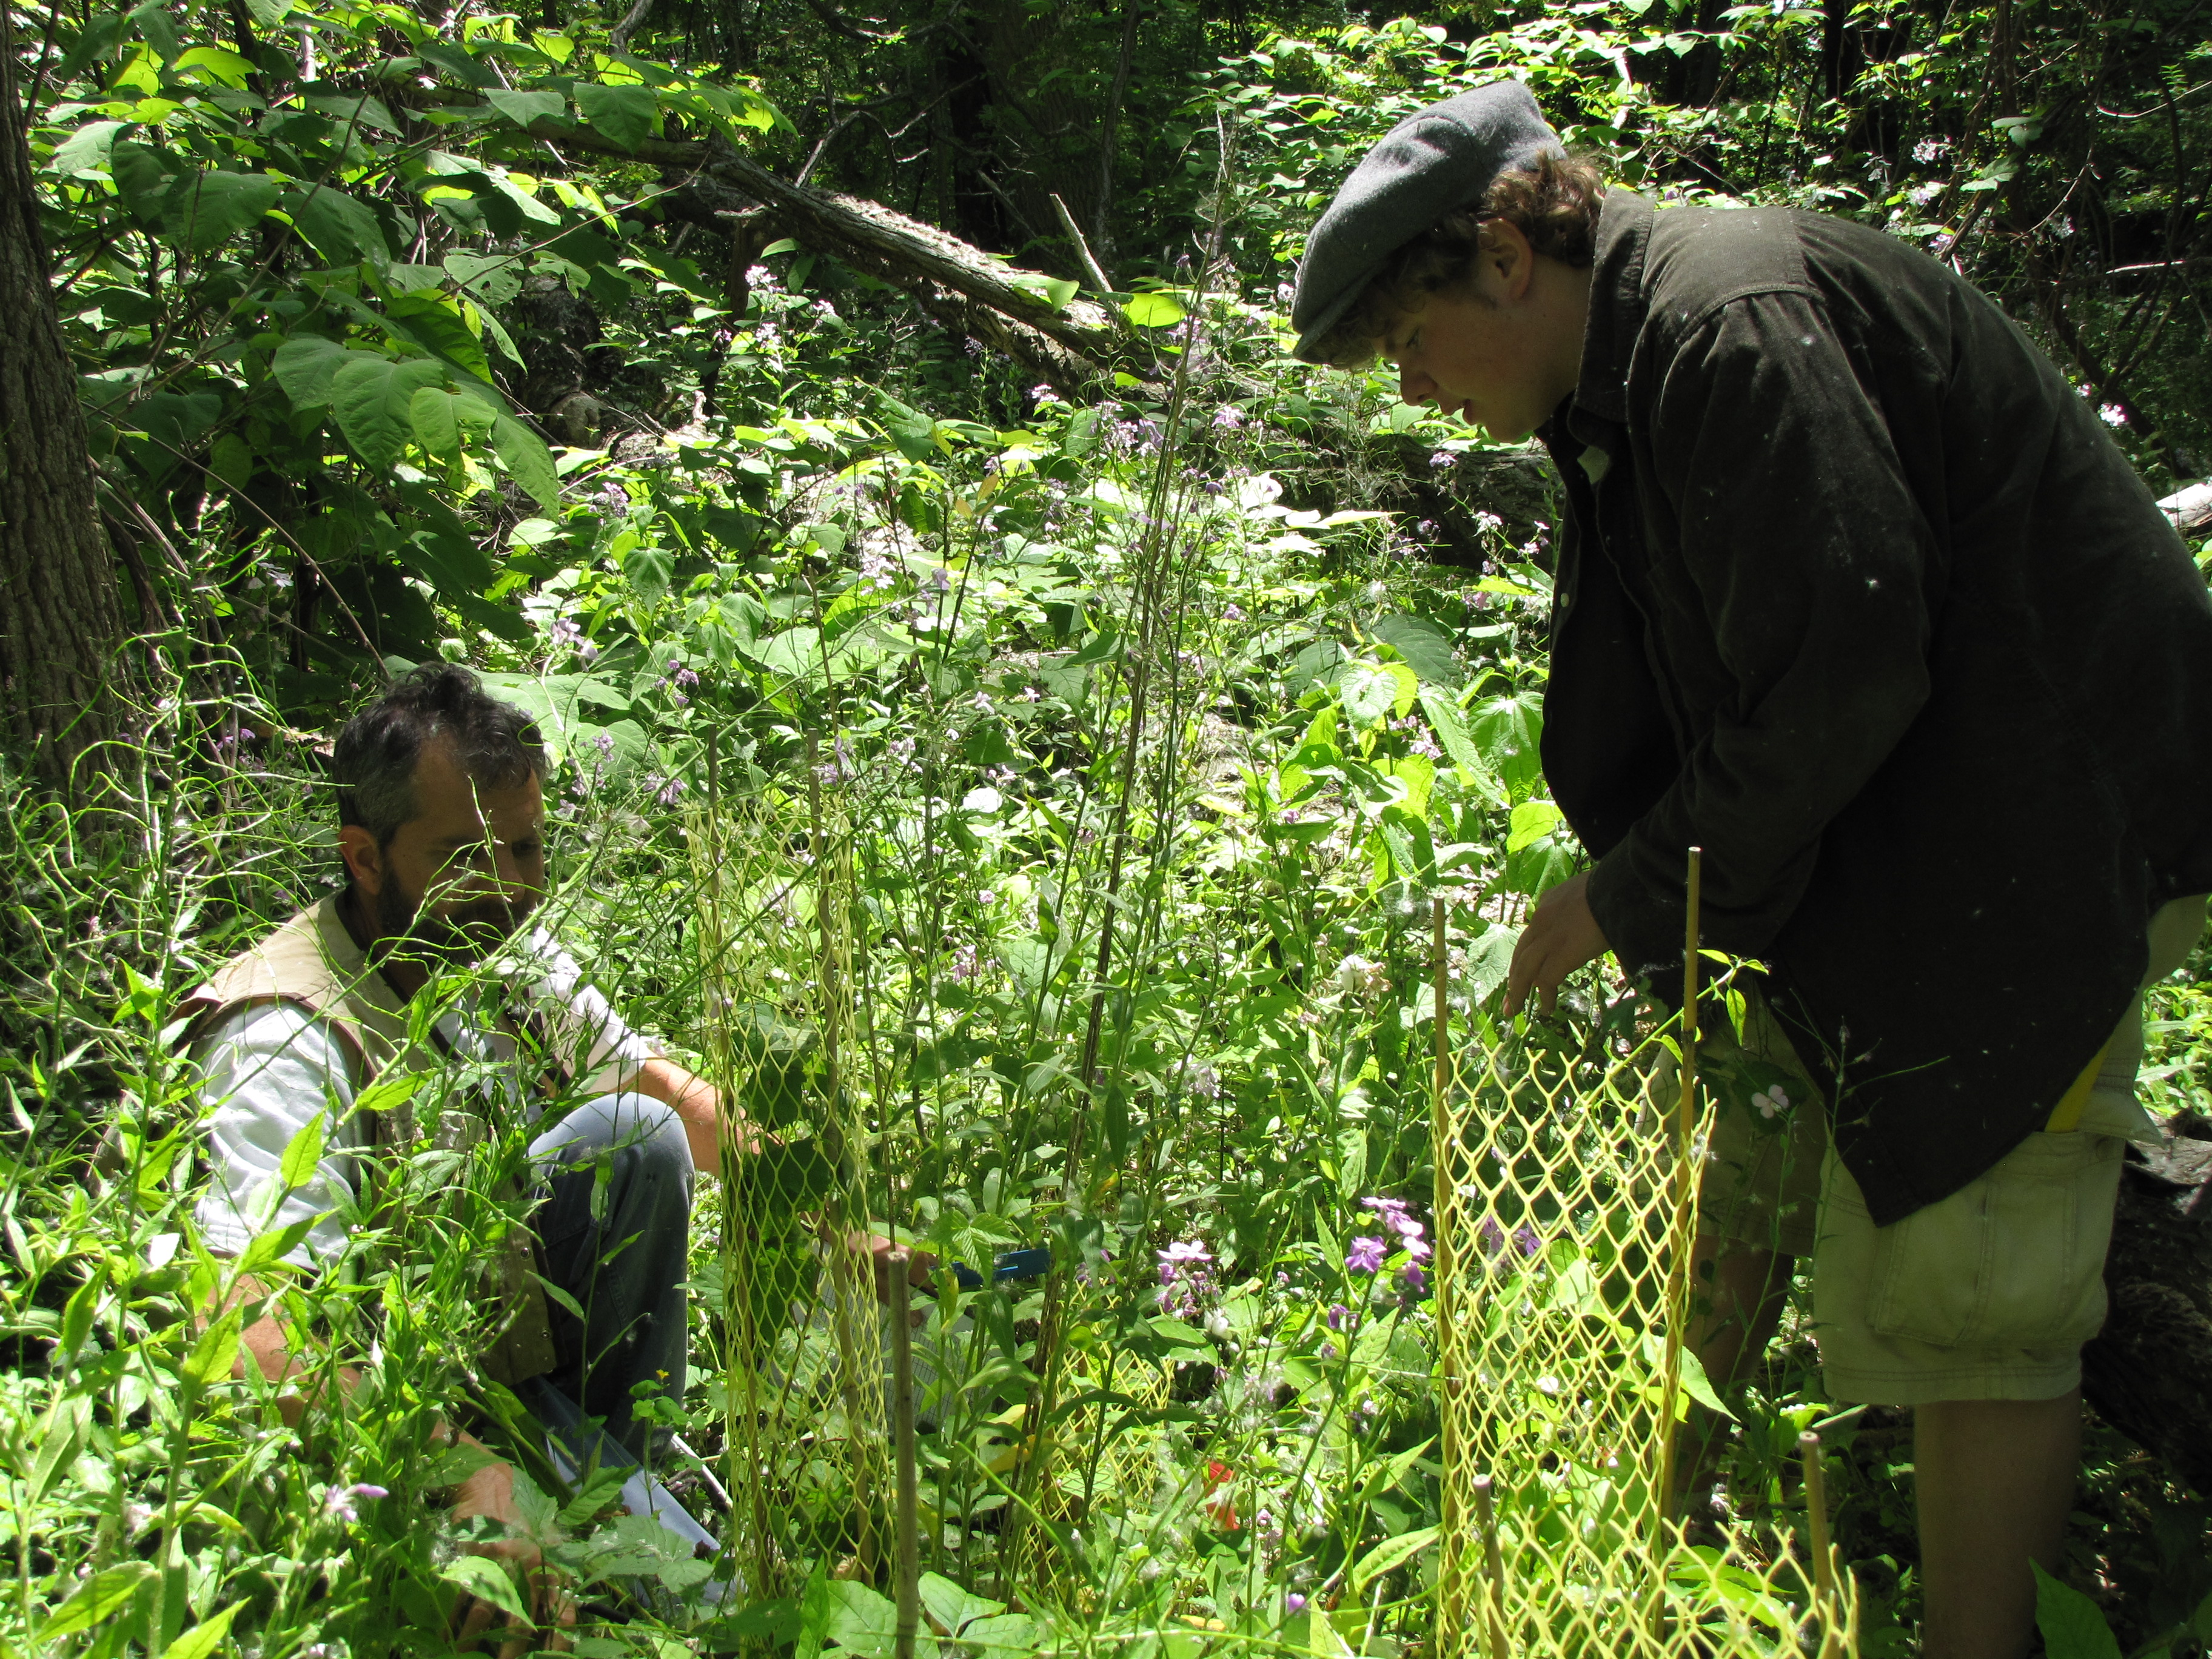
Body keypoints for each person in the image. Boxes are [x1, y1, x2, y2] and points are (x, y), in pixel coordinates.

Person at [1290, 82, 2212, 1658]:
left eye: (1414, 339)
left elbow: (1844, 672)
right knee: (1851, 1166)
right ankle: (1685, 1514)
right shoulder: (1632, 369)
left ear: (1509, 250)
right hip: (1947, 831)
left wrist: (1613, 904)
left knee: (1977, 1291)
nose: (1418, 386)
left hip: (2035, 839)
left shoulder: (1726, 323)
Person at [184, 665, 917, 1654]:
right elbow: (250, 1322)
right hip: (368, 1410)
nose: (511, 889)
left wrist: (827, 1217)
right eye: (467, 857)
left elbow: (665, 1096)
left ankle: (614, 1492)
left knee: (635, 1138)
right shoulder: (284, 1037)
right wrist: (451, 1472)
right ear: (365, 859)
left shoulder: (489, 945)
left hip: (487, 1357)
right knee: (728, 1625)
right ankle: (628, 1561)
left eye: (526, 849)